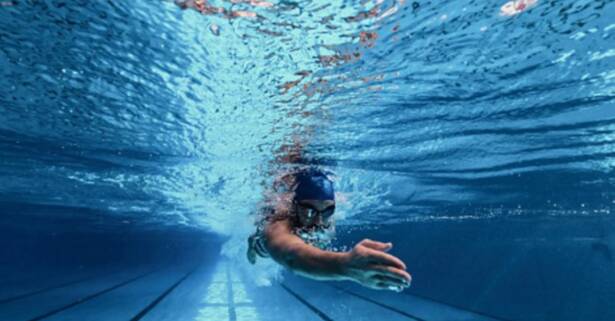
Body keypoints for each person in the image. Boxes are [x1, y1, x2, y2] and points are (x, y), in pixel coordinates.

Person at [247, 166, 411, 292]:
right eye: (309, 211)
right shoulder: (280, 220)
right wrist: (343, 266)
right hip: (264, 245)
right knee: (261, 248)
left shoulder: (326, 218)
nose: (319, 220)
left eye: (327, 210)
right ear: (294, 206)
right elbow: (290, 255)